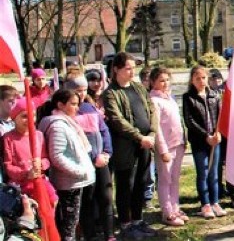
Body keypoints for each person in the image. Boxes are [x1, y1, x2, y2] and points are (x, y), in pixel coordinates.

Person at [102, 52, 158, 239]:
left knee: (142, 182)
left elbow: (151, 109)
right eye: (128, 68)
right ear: (116, 69)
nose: (132, 71)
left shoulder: (138, 87)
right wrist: (139, 137)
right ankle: (125, 223)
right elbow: (118, 120)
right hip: (126, 146)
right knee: (126, 183)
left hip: (145, 143)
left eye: (134, 68)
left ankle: (137, 219)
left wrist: (151, 133)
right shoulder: (111, 93)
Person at [39, 89, 96, 241]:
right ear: (60, 105)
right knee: (68, 225)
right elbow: (57, 156)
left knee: (73, 221)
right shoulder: (58, 126)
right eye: (73, 104)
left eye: (78, 104)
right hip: (69, 183)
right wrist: (79, 171)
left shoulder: (68, 123)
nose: (77, 108)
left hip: (75, 181)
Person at [67, 74, 114, 241]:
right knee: (87, 200)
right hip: (85, 163)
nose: (81, 94)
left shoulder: (89, 107)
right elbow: (77, 141)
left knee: (106, 197)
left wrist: (106, 152)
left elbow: (103, 131)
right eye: (77, 91)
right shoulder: (67, 112)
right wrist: (94, 157)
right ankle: (90, 234)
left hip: (102, 161)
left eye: (84, 90)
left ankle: (109, 234)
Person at [182, 65, 225, 220]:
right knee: (203, 172)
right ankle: (205, 204)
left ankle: (215, 202)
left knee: (214, 173)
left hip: (215, 140)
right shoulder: (188, 98)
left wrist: (217, 133)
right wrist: (206, 135)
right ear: (192, 80)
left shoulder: (214, 95)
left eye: (204, 78)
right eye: (197, 78)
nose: (201, 81)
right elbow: (190, 121)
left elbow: (220, 117)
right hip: (199, 141)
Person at [149, 67, 187, 227]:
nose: (165, 83)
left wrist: (183, 139)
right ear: (153, 82)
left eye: (167, 80)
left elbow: (177, 120)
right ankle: (167, 211)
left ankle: (175, 207)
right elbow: (157, 128)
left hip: (178, 143)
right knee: (165, 179)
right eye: (161, 81)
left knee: (175, 178)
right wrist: (163, 150)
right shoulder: (154, 100)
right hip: (166, 147)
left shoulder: (169, 98)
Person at [4, 98, 57, 203]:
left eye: (32, 116)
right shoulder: (8, 138)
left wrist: (41, 164)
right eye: (24, 116)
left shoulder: (39, 135)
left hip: (39, 180)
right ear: (14, 118)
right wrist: (26, 173)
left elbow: (46, 158)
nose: (29, 120)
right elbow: (8, 165)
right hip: (20, 183)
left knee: (53, 200)